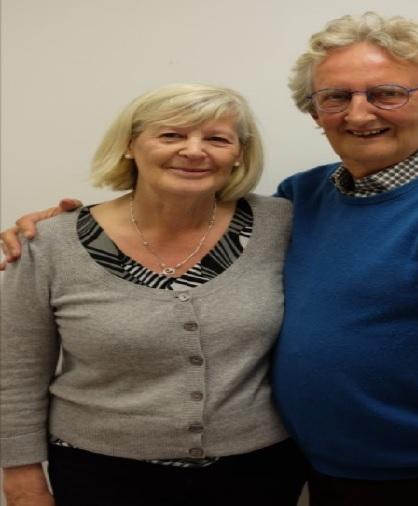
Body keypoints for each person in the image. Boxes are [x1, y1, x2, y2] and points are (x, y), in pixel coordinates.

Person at [1, 12, 418, 506]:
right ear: (314, 110)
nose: (358, 113)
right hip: (321, 473)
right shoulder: (304, 199)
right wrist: (58, 224)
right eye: (336, 96)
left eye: (387, 94)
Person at [0, 83, 307, 506]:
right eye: (171, 135)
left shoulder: (282, 224)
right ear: (130, 145)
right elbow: (14, 371)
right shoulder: (48, 243)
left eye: (217, 139)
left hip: (257, 472)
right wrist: (22, 483)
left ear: (239, 153)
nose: (194, 150)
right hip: (99, 474)